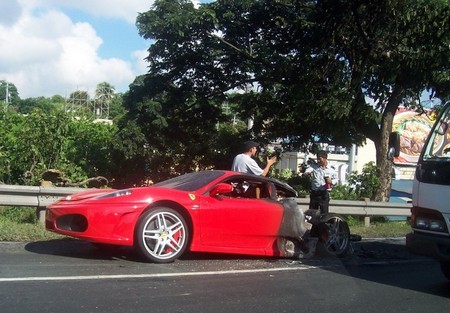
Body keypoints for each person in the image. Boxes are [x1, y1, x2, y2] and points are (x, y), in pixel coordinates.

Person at [304, 150, 338, 215]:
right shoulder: (314, 166)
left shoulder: (331, 169)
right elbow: (307, 171)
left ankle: (323, 224)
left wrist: (331, 181)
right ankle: (313, 225)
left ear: (325, 158)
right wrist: (307, 173)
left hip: (324, 193)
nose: (318, 161)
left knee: (324, 213)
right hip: (315, 193)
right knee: (312, 213)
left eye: (320, 159)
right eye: (317, 159)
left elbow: (336, 179)